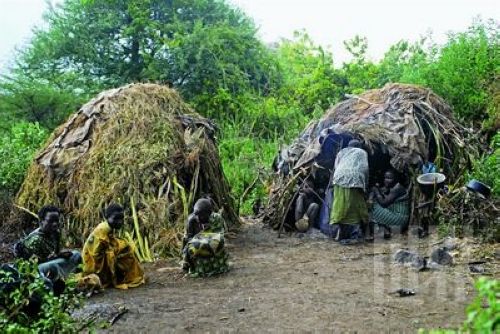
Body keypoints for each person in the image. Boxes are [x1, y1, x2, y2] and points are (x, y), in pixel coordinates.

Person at [81, 203, 145, 289]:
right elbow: (95, 254)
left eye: (121, 218)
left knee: (125, 248)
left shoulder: (108, 228)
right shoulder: (103, 229)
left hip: (97, 260)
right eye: (116, 219)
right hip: (92, 264)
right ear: (107, 217)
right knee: (125, 252)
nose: (120, 221)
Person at [14, 205, 81, 284]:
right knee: (52, 267)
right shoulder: (34, 240)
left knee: (76, 254)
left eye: (57, 221)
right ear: (41, 221)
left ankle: (64, 278)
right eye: (51, 221)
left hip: (53, 262)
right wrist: (57, 257)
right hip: (37, 270)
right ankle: (58, 281)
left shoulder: (55, 233)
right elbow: (32, 266)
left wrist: (60, 255)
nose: (55, 224)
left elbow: (55, 253)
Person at [330, 140, 369, 244]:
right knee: (355, 204)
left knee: (339, 203)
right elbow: (365, 168)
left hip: (339, 178)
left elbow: (336, 167)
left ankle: (338, 227)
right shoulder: (362, 152)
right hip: (355, 178)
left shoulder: (341, 152)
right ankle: (356, 231)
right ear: (359, 146)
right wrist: (365, 185)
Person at [182, 198, 229, 277]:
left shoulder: (216, 218)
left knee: (196, 245)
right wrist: (190, 227)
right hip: (198, 256)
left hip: (213, 254)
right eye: (196, 214)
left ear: (208, 213)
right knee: (191, 247)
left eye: (200, 215)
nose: (197, 217)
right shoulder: (193, 220)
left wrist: (195, 241)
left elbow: (216, 240)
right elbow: (187, 242)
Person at [369, 170, 410, 240]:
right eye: (385, 178)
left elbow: (384, 203)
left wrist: (376, 190)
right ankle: (385, 230)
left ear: (396, 179)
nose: (386, 180)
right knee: (374, 203)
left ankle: (382, 229)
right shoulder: (392, 187)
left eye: (389, 178)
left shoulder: (397, 188)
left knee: (373, 207)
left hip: (400, 219)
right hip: (397, 215)